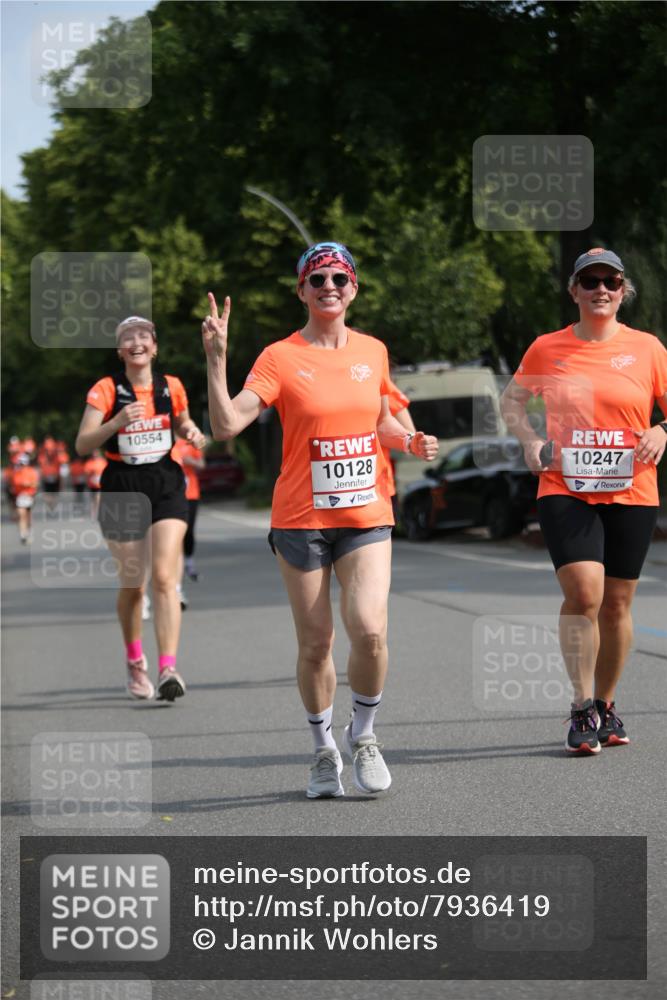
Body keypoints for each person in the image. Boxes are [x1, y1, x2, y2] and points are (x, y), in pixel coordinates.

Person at [202, 241, 438, 797]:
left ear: (353, 287)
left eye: (339, 278)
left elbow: (381, 420)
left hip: (365, 513)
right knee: (316, 643)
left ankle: (366, 736)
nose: (328, 286)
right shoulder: (280, 356)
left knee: (371, 630)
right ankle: (323, 750)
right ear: (301, 291)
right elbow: (227, 425)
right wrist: (216, 360)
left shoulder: (373, 351)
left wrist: (409, 439)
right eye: (317, 279)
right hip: (300, 517)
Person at [501, 248, 667, 754]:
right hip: (565, 486)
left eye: (610, 282)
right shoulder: (548, 348)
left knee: (617, 603)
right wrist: (529, 440)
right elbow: (511, 401)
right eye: (590, 281)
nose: (600, 290)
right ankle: (580, 704)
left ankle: (607, 703)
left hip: (633, 489)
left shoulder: (647, 349)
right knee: (585, 592)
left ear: (623, 291)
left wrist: (663, 430)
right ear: (573, 290)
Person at [75, 316, 206, 702]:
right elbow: (83, 444)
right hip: (121, 485)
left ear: (154, 346)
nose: (137, 342)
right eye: (128, 337)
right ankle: (135, 662)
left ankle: (168, 667)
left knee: (165, 578)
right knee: (134, 584)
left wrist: (193, 432)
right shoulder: (105, 389)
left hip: (165, 481)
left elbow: (181, 423)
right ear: (120, 350)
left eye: (144, 336)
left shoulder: (172, 386)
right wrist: (116, 421)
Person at [172, 436, 206, 608]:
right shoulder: (167, 439)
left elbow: (202, 464)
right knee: (175, 535)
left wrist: (189, 460)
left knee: (189, 530)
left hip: (191, 493)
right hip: (171, 495)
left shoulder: (190, 440)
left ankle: (189, 563)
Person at [11, 453, 39, 543]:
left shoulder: (32, 472)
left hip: (30, 496)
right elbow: (14, 484)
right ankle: (23, 535)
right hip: (20, 496)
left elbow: (36, 484)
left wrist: (28, 484)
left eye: (24, 463)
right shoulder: (16, 473)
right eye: (21, 463)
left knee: (28, 516)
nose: (22, 465)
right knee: (21, 515)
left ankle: (29, 531)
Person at [84, 448, 107, 518]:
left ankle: (98, 512)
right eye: (93, 454)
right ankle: (93, 513)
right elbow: (86, 473)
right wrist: (91, 475)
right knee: (93, 499)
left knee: (98, 497)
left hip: (100, 484)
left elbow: (106, 472)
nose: (95, 455)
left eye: (96, 454)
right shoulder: (89, 462)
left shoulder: (103, 462)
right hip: (92, 484)